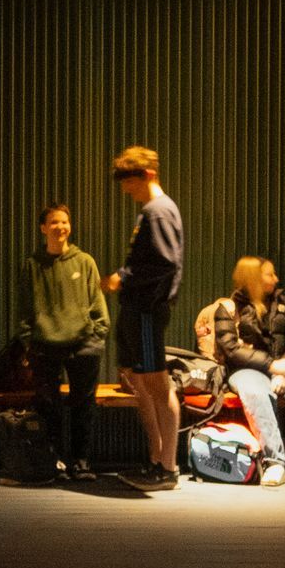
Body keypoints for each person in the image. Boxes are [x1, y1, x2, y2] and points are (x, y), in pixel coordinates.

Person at [103, 145, 184, 489]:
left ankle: (167, 468)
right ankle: (155, 459)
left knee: (157, 384)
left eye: (129, 182)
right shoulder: (152, 211)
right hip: (139, 309)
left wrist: (124, 278)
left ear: (147, 175)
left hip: (148, 310)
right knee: (142, 384)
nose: (126, 189)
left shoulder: (158, 211)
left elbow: (165, 262)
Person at [213, 255, 285, 486]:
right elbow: (231, 348)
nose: (276, 278)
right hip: (246, 369)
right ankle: (274, 462)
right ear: (253, 278)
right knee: (258, 395)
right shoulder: (228, 308)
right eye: (270, 274)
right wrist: (270, 365)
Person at [16, 202, 110, 480]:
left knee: (84, 405)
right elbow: (24, 308)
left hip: (83, 345)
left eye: (64, 222)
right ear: (43, 228)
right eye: (54, 222)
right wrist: (28, 341)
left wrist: (97, 336)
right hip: (44, 345)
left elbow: (98, 303)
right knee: (48, 405)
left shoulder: (84, 261)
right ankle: (54, 461)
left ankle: (81, 462)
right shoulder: (32, 266)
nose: (60, 227)